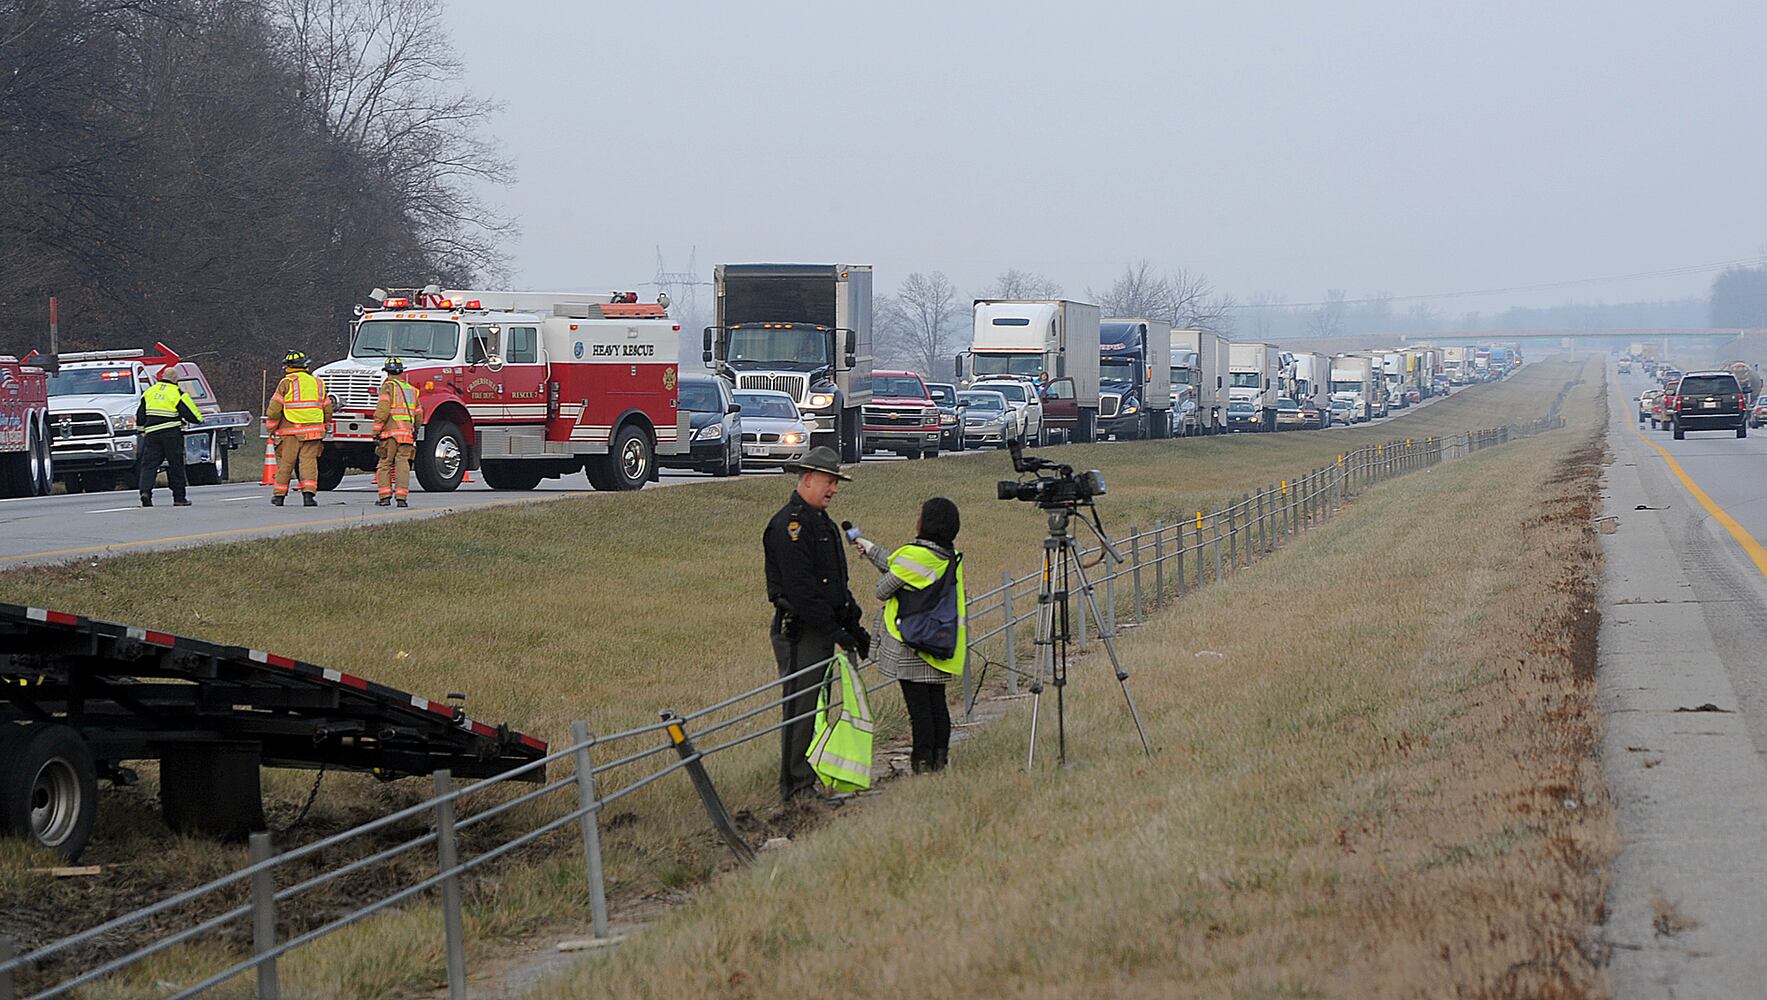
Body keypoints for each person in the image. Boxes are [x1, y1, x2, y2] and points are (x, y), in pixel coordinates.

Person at [763, 445, 870, 803]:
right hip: (801, 631)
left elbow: (834, 584)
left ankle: (810, 776)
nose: (834, 489)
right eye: (829, 481)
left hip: (821, 628)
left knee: (817, 707)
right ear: (807, 479)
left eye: (836, 483)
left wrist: (852, 623)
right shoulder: (790, 526)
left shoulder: (822, 523)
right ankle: (795, 787)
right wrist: (834, 630)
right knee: (801, 707)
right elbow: (803, 591)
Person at [854, 497, 965, 773]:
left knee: (920, 712)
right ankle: (940, 761)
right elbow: (901, 568)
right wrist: (869, 549)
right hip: (939, 640)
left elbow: (883, 588)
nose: (916, 517)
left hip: (912, 644)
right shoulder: (946, 556)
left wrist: (883, 563)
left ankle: (922, 765)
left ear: (927, 523)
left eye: (920, 514)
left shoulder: (913, 555)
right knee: (938, 706)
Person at [265, 351, 334, 507]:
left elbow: (274, 409)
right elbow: (327, 408)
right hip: (314, 431)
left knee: (286, 464)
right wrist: (325, 423)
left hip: (291, 431)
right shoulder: (318, 383)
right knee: (309, 463)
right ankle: (309, 496)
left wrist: (271, 427)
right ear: (305, 365)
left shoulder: (286, 382)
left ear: (287, 366)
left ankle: (279, 496)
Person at [135, 367, 203, 508]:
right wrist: (190, 419)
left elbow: (140, 415)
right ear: (175, 380)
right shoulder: (177, 392)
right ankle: (179, 498)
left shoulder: (149, 392)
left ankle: (145, 493)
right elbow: (195, 417)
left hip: (152, 435)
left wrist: (143, 431)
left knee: (149, 466)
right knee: (175, 465)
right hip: (171, 434)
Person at [373, 358, 419, 507]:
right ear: (401, 371)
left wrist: (376, 429)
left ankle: (384, 497)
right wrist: (415, 429)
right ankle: (402, 498)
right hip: (407, 433)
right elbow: (419, 413)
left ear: (387, 372)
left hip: (390, 433)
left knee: (385, 464)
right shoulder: (411, 390)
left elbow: (383, 409)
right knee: (403, 464)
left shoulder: (388, 387)